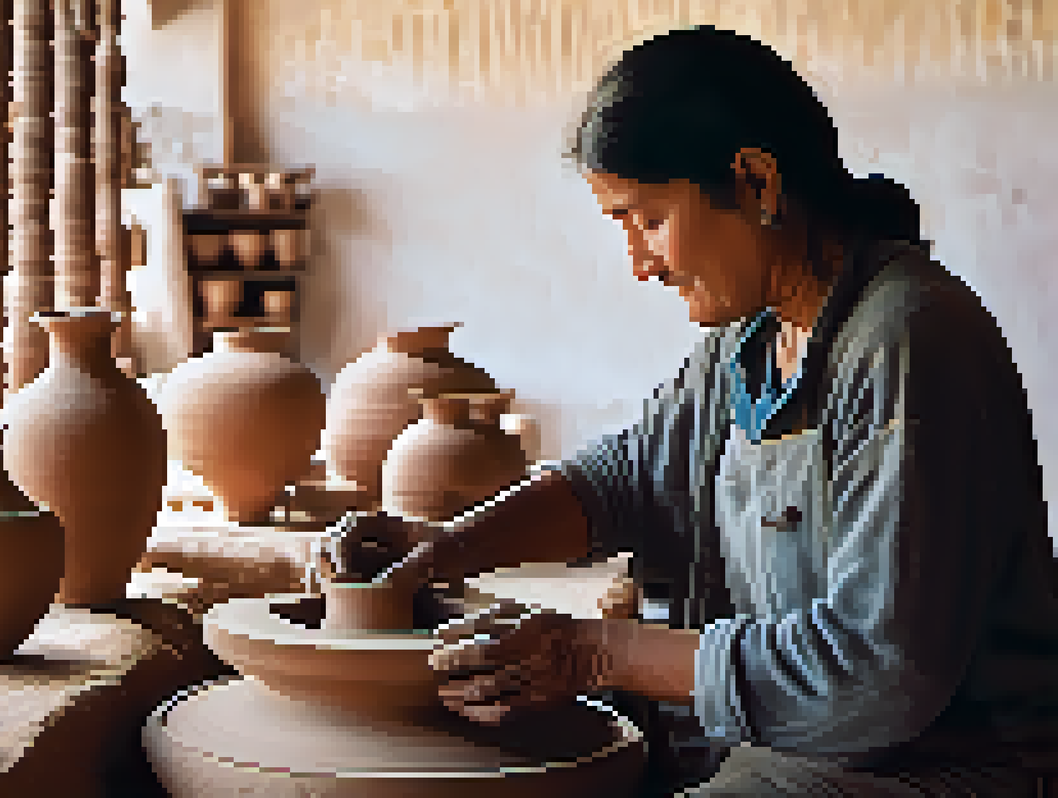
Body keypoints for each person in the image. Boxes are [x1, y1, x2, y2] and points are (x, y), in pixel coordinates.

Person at [319, 25, 1058, 797]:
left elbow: (881, 674)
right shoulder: (752, 336)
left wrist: (596, 653)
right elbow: (629, 479)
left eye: (649, 219)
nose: (641, 263)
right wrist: (448, 546)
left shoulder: (907, 340)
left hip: (940, 766)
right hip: (797, 748)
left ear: (756, 183)